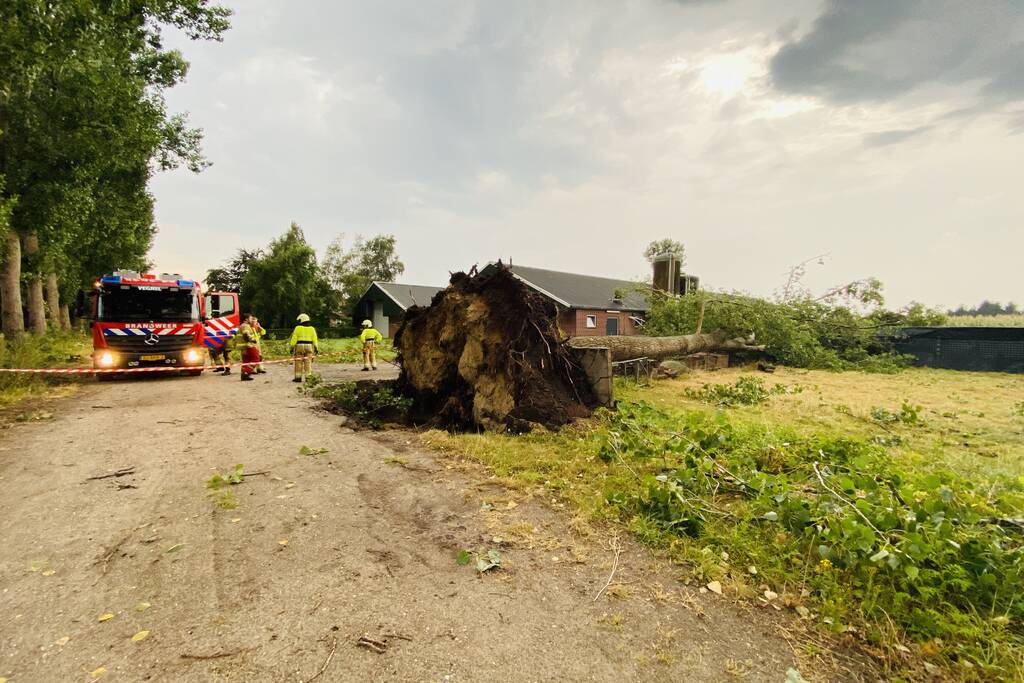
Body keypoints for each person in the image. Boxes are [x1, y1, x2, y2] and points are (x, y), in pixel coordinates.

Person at [289, 313, 319, 383]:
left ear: (301, 320)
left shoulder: (297, 328)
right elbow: (315, 339)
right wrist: (316, 348)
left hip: (299, 346)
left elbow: (294, 339)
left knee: (298, 362)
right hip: (309, 346)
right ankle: (308, 378)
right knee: (308, 362)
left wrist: (291, 348)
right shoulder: (312, 329)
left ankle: (298, 378)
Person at [236, 313, 262, 382]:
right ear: (246, 319)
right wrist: (252, 340)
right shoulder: (246, 326)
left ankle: (244, 375)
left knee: (246, 361)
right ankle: (246, 372)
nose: (251, 320)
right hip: (248, 345)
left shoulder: (242, 325)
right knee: (256, 358)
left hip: (243, 347)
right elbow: (246, 335)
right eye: (250, 318)